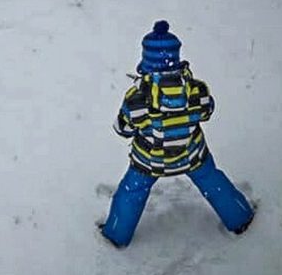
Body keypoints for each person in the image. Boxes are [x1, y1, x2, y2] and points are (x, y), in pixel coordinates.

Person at [101, 20, 254, 247]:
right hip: (192, 155)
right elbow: (207, 110)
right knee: (213, 181)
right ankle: (239, 217)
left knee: (131, 193)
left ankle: (116, 235)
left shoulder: (137, 98)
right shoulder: (196, 89)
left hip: (149, 161)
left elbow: (122, 128)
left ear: (145, 60)